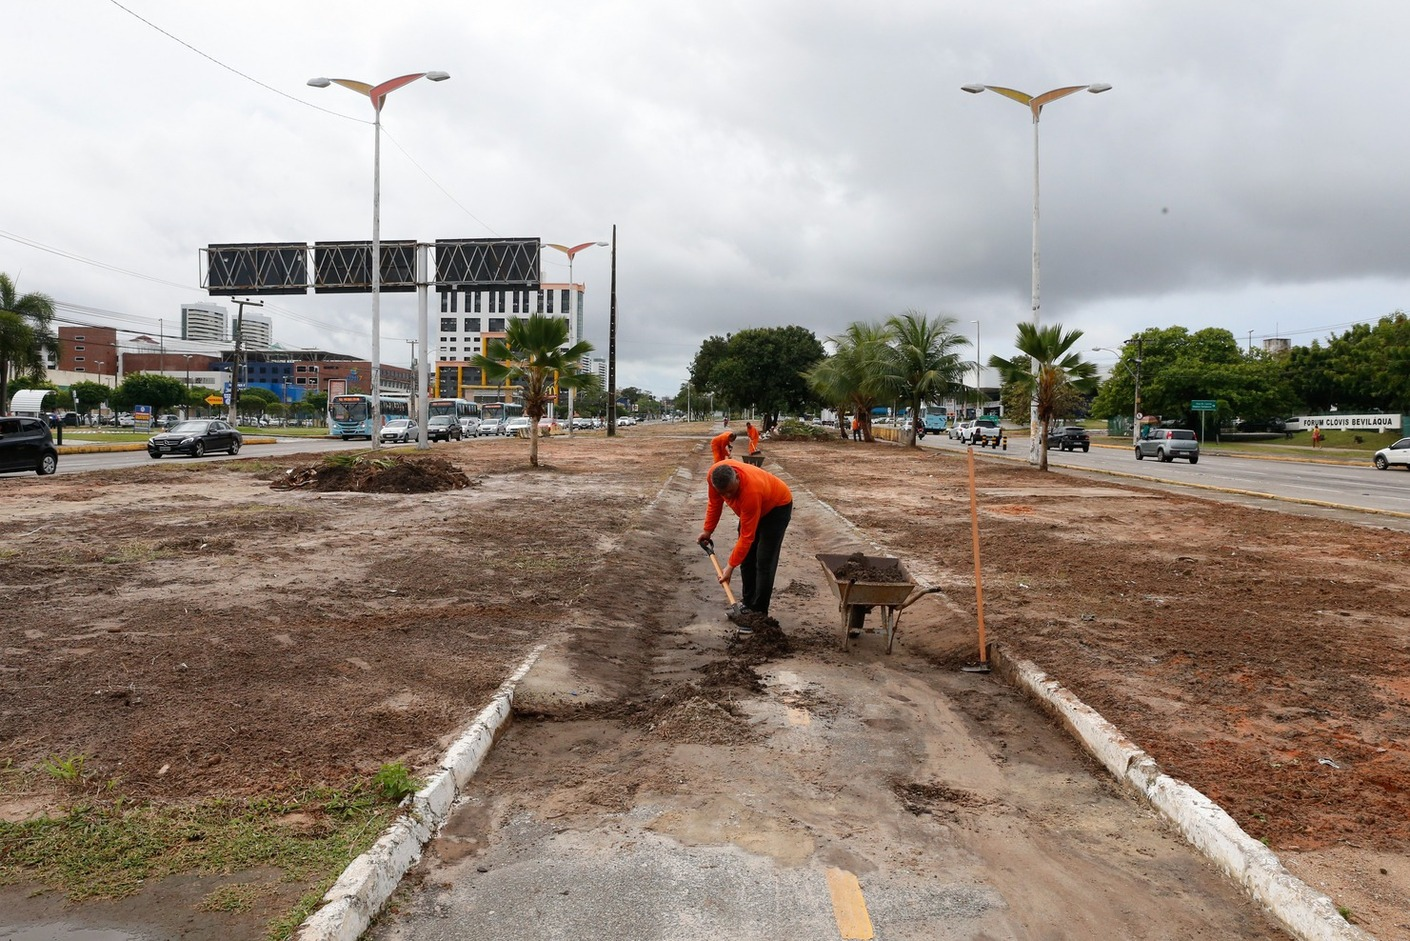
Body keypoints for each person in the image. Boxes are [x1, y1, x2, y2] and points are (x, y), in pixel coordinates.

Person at [697, 461, 793, 634]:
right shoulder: (714, 477)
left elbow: (746, 537)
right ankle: (747, 605)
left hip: (777, 507)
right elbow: (714, 503)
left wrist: (729, 567)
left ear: (737, 479)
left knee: (763, 561)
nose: (728, 495)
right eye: (723, 493)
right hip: (755, 506)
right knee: (747, 559)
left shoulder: (750, 491)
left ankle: (759, 614)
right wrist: (707, 530)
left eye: (731, 492)